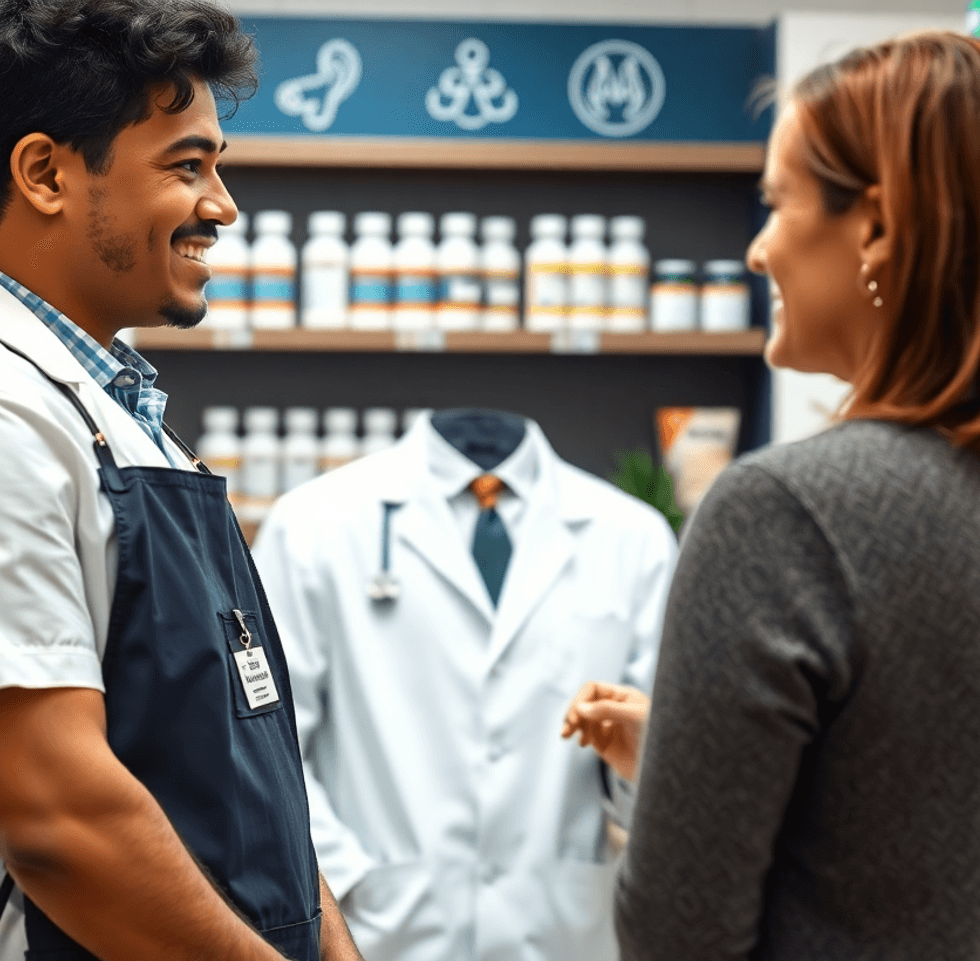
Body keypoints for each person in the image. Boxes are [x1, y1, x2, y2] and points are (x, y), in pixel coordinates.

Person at [0, 0, 361, 961]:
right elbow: (61, 824)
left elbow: (247, 776)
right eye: (187, 167)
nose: (222, 206)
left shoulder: (114, 414)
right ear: (45, 173)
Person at [566, 31, 980, 960]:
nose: (756, 254)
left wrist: (682, 803)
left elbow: (681, 934)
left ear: (874, 227)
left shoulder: (788, 512)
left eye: (777, 205)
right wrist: (699, 760)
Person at [253, 407, 679, 961]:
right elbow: (267, 745)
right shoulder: (313, 523)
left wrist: (642, 769)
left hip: (564, 930)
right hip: (378, 931)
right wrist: (347, 881)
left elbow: (660, 764)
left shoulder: (633, 537)